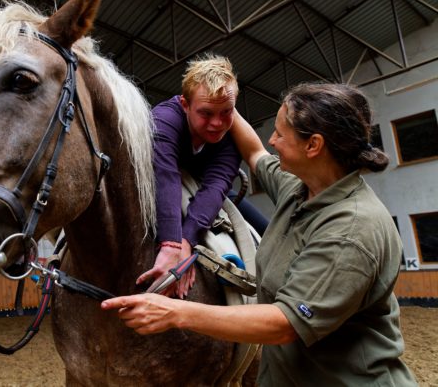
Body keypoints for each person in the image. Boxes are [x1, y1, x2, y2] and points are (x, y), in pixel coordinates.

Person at [103, 83, 416, 385]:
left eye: (280, 133)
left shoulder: (351, 230)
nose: (272, 141)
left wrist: (175, 312)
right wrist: (216, 92)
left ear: (313, 145)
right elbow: (253, 152)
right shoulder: (299, 188)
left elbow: (284, 324)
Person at [140, 54, 268, 299]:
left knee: (268, 231)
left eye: (226, 112)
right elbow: (166, 175)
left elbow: (216, 186)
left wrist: (187, 240)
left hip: (211, 189)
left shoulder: (231, 136)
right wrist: (171, 243)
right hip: (162, 180)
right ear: (185, 105)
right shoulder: (164, 119)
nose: (217, 124)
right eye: (206, 113)